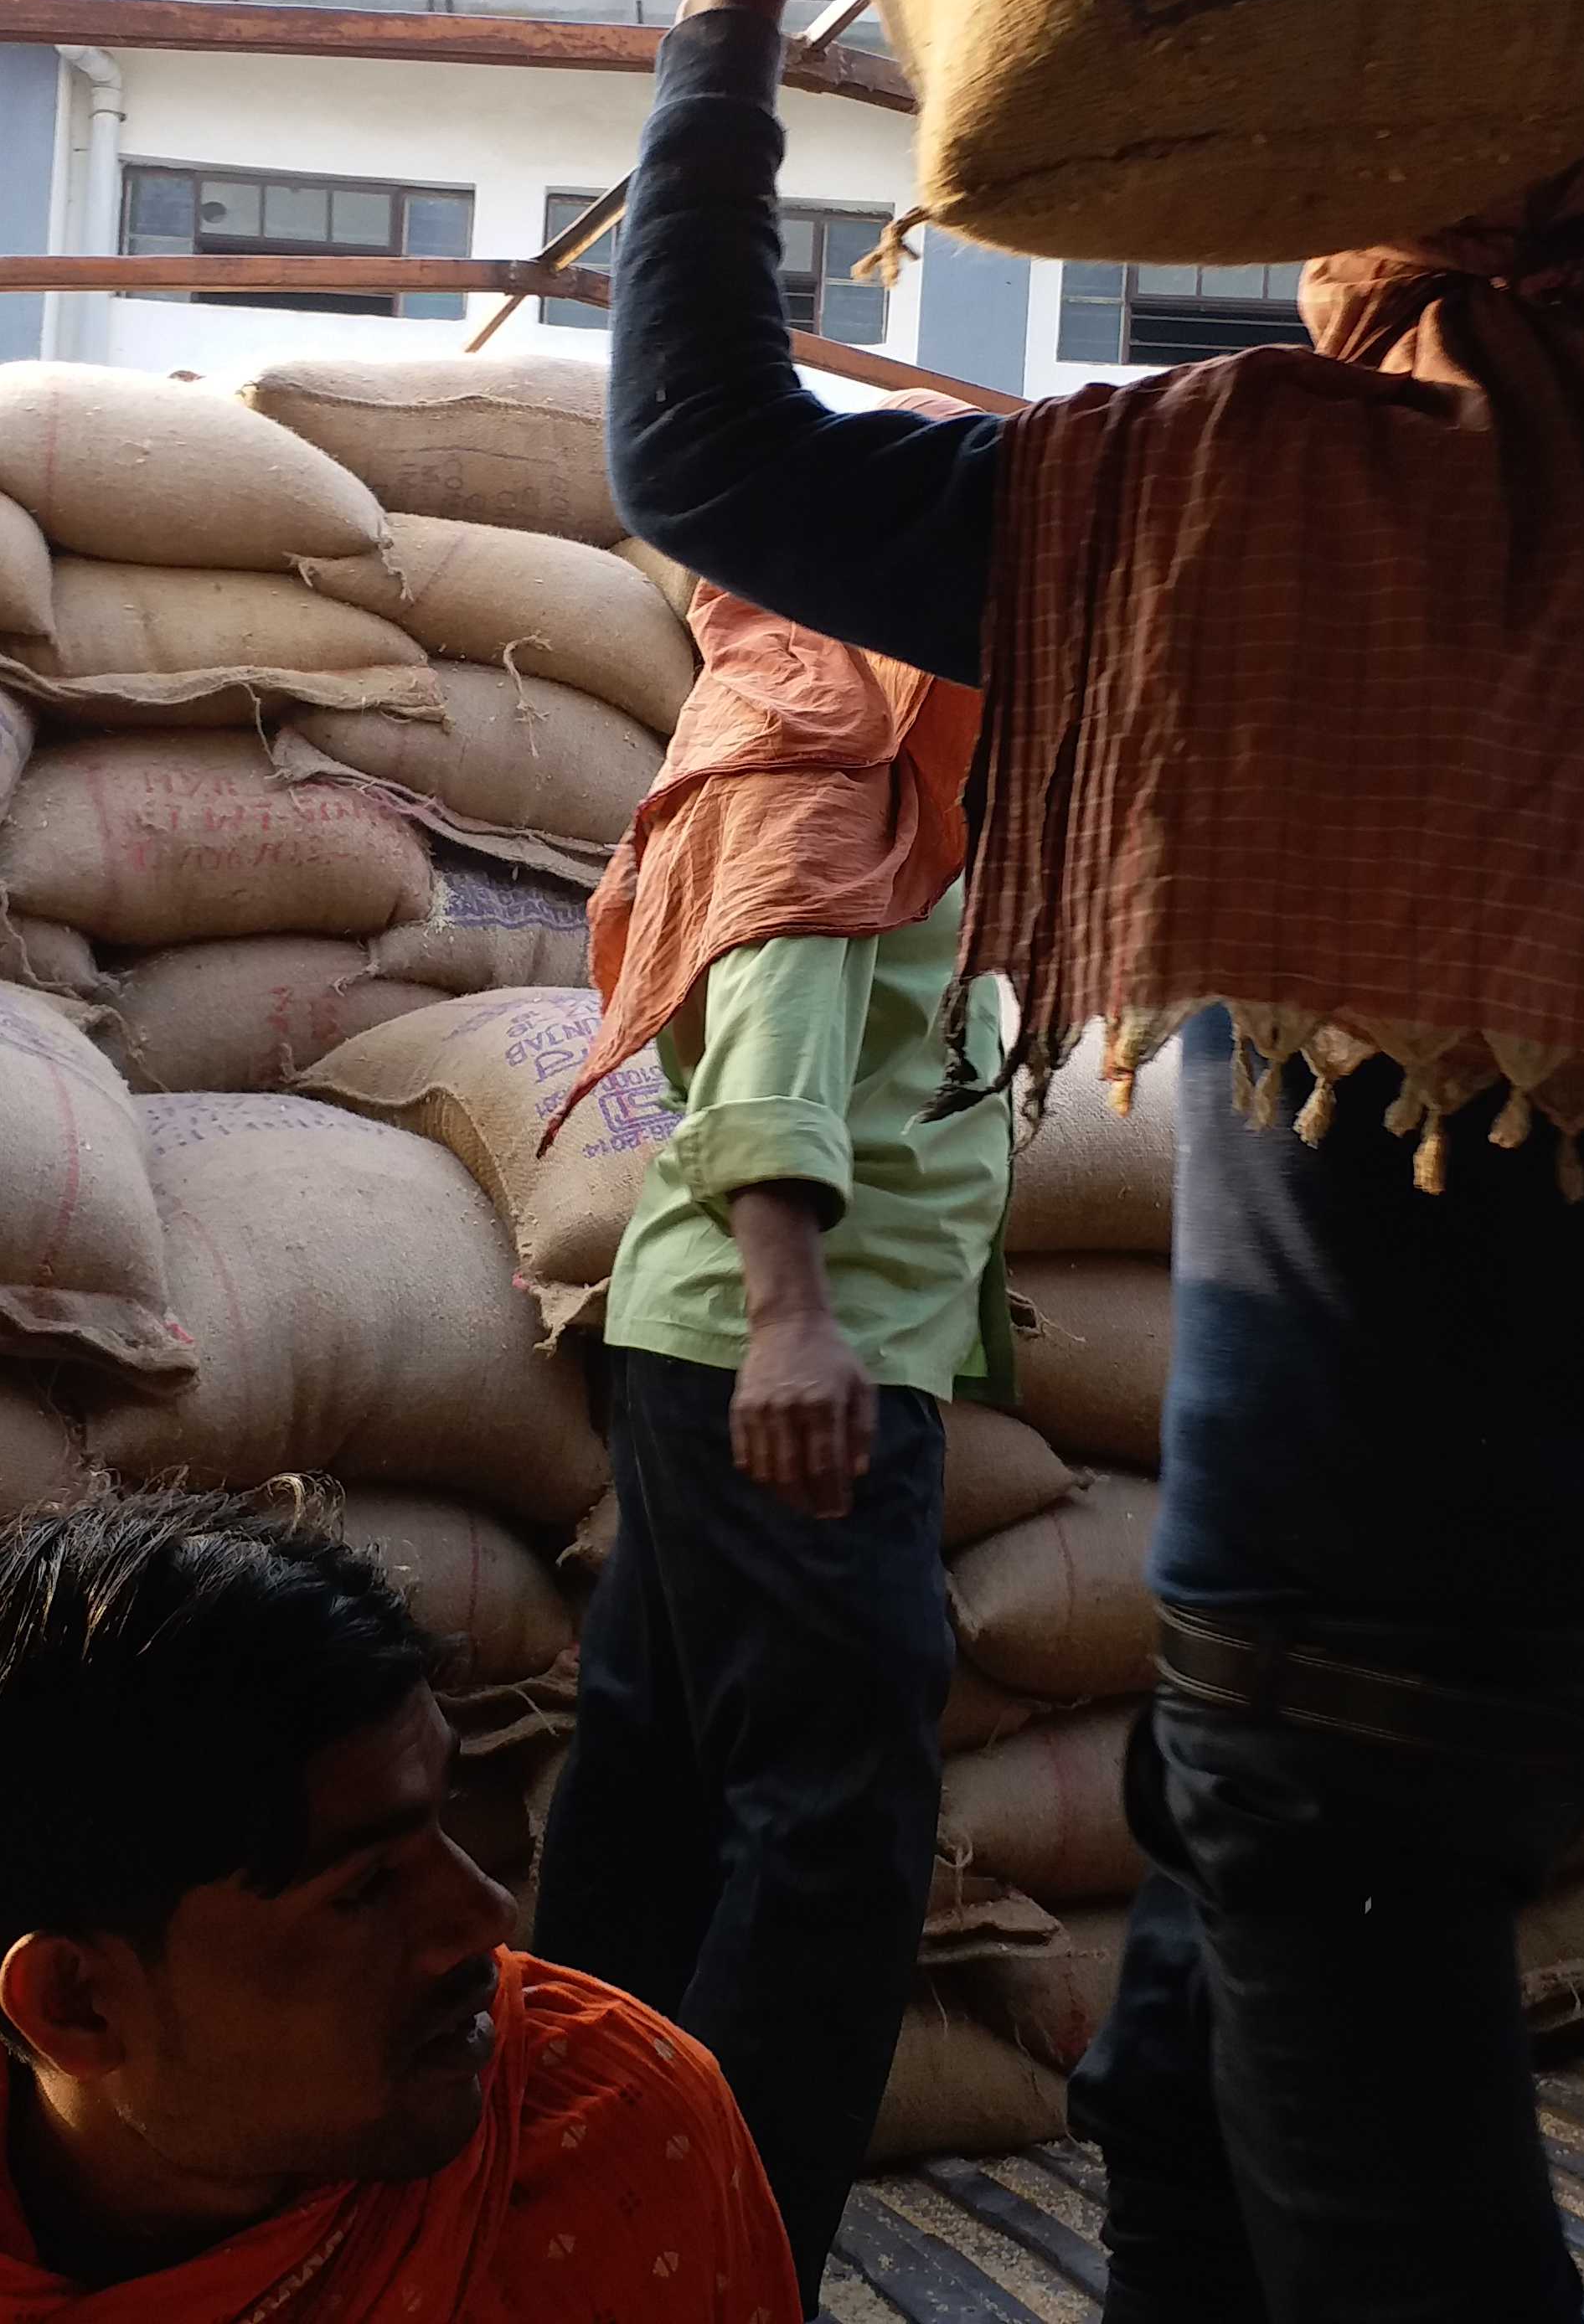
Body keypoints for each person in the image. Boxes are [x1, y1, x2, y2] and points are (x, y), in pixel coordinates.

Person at [599, 0, 1584, 2323]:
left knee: (1394, 2251)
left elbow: (700, 455)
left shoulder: (1243, 504)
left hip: (1333, 1632)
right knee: (1182, 2119)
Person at [0, 1490, 802, 2324]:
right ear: (76, 2002)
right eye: (363, 1889)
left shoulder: (612, 2138)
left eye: (443, 1828)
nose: (482, 1918)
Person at [533, 571, 1006, 2292]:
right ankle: (713, 2263)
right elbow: (773, 1058)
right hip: (794, 1346)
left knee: (649, 1792)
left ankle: (558, 2214)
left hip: (738, 1338)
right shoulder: (824, 757)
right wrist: (800, 1321)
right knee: (837, 1827)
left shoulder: (892, 775)